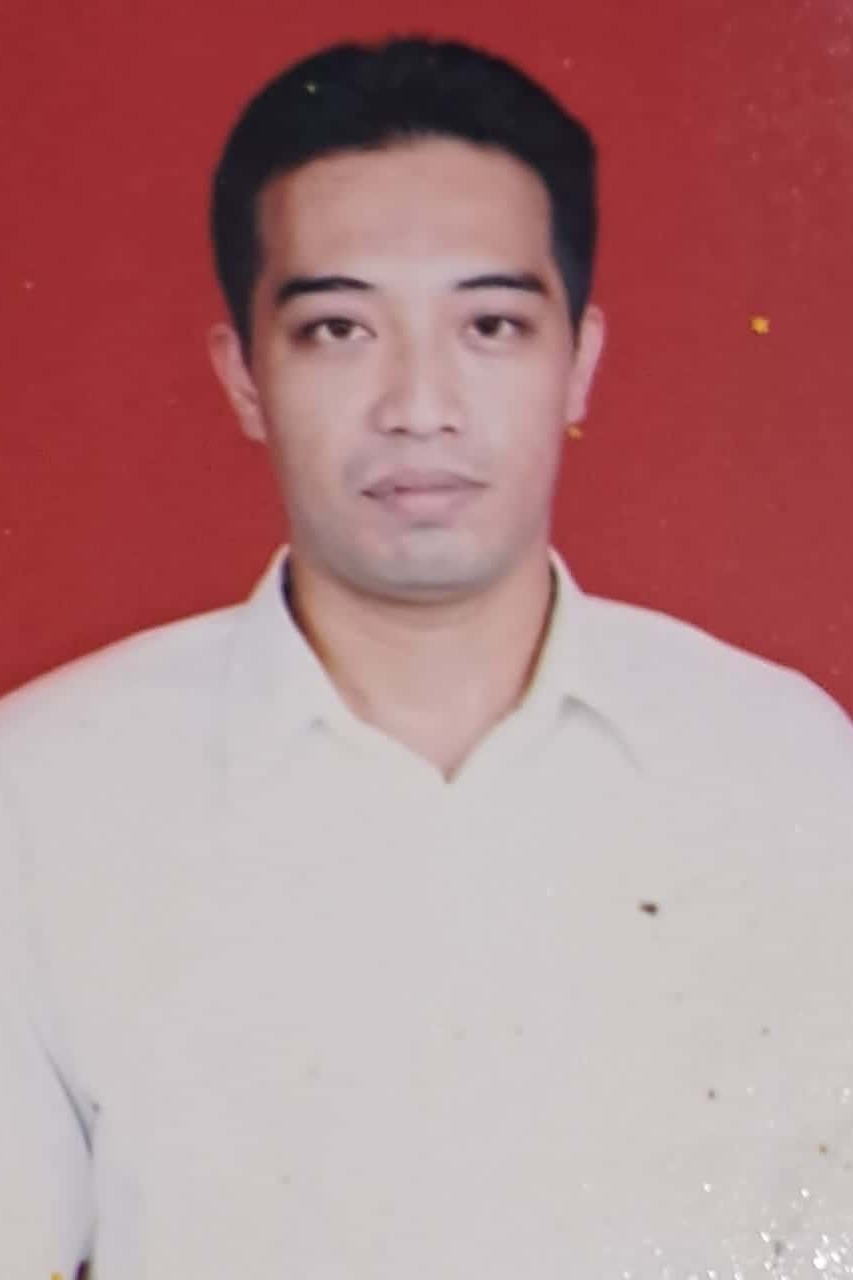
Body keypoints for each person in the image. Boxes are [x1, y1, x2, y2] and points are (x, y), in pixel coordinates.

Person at [1, 33, 851, 1280]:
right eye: (338, 328)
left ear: (579, 362)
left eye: (490, 324)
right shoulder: (42, 791)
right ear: (244, 377)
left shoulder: (785, 765)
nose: (418, 405)